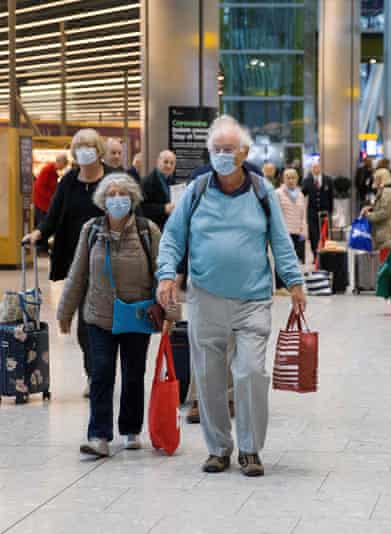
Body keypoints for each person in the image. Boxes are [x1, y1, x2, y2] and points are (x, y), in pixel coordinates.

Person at [156, 114, 306, 477]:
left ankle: (250, 449)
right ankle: (218, 448)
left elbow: (281, 242)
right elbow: (173, 237)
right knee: (208, 375)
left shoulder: (261, 191)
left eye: (229, 149)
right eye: (217, 149)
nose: (223, 155)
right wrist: (165, 275)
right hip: (206, 297)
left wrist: (296, 282)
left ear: (244, 152)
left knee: (251, 371)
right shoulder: (197, 190)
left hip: (252, 299)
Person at [57, 173, 178, 457]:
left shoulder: (148, 231)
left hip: (137, 316)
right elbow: (77, 274)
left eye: (122, 193)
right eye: (111, 194)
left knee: (134, 373)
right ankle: (98, 435)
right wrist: (65, 310)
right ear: (102, 200)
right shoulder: (91, 231)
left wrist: (172, 311)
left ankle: (131, 429)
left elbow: (164, 272)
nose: (117, 198)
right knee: (100, 374)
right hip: (99, 316)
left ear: (132, 198)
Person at [23, 129, 114, 397]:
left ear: (98, 149)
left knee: (106, 323)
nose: (84, 150)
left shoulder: (112, 180)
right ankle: (94, 374)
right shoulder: (69, 182)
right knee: (86, 324)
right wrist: (38, 233)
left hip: (109, 262)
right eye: (79, 146)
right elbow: (52, 216)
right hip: (77, 263)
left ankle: (104, 369)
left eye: (89, 145)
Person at [275, 167, 308, 283]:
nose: (290, 180)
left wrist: (304, 230)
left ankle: (293, 284)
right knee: (283, 260)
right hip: (284, 232)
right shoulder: (278, 193)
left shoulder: (300, 195)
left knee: (296, 260)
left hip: (297, 232)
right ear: (283, 179)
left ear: (297, 179)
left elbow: (303, 215)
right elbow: (276, 215)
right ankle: (280, 286)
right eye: (287, 177)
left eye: (293, 177)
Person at [362, 162, 391, 263]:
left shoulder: (387, 193)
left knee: (385, 266)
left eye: (376, 178)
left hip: (385, 235)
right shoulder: (383, 191)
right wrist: (371, 208)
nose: (374, 180)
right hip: (380, 234)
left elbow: (384, 212)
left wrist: (369, 216)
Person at [32, 153, 68, 251]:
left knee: (45, 223)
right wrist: (52, 198)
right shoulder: (48, 170)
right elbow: (40, 187)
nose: (63, 168)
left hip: (45, 202)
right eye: (63, 165)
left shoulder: (52, 171)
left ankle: (43, 246)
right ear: (59, 162)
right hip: (41, 203)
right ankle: (41, 247)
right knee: (43, 224)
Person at [302, 161, 334, 261]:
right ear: (311, 169)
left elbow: (331, 197)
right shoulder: (307, 180)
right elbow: (302, 193)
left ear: (321, 168)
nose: (316, 169)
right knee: (313, 235)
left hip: (325, 212)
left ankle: (325, 256)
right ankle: (316, 256)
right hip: (312, 212)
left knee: (325, 234)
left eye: (317, 167)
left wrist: (330, 212)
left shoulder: (328, 180)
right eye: (314, 167)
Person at [141, 150, 177, 230]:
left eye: (172, 163)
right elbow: (142, 208)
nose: (169, 166)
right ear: (158, 162)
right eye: (166, 162)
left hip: (168, 226)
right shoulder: (147, 182)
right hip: (154, 229)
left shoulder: (171, 180)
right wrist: (163, 209)